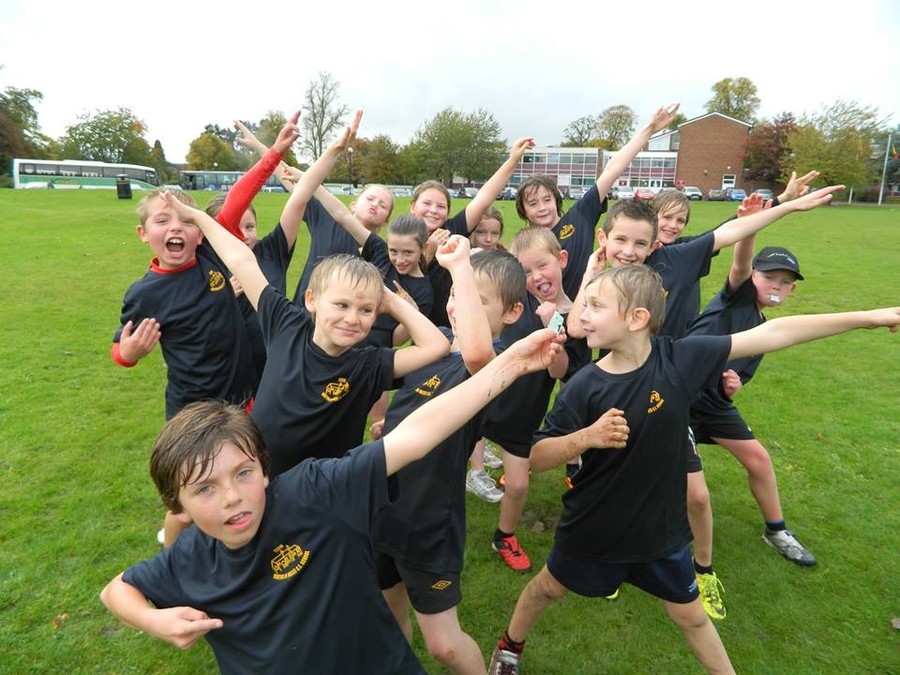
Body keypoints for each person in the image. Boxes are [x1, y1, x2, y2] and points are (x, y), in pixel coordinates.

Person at [488, 264, 900, 675]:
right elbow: (537, 456)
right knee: (546, 589)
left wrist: (868, 318)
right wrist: (585, 438)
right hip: (594, 526)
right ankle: (510, 647)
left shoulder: (680, 359)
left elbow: (774, 333)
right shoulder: (584, 385)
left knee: (691, 617)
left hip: (660, 532)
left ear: (637, 319)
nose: (582, 315)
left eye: (596, 305)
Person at [99, 323, 564, 674]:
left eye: (243, 473)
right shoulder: (188, 561)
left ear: (264, 469)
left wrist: (509, 366)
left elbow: (417, 434)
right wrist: (154, 622)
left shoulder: (313, 491)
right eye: (205, 488)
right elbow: (116, 590)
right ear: (175, 505)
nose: (233, 498)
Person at [157, 124, 450, 476]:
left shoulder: (366, 365)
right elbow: (241, 260)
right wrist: (199, 218)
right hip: (260, 476)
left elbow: (435, 346)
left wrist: (389, 298)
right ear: (311, 300)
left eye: (365, 310)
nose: (352, 318)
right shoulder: (285, 324)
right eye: (341, 305)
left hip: (323, 493)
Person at [374, 236, 540, 675]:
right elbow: (406, 395)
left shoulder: (500, 362)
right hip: (381, 504)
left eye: (475, 300)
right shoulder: (436, 346)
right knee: (391, 612)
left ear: (512, 313)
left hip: (429, 520)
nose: (455, 304)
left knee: (445, 647)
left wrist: (461, 266)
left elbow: (477, 352)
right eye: (453, 294)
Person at [689, 239, 818, 566]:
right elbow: (739, 264)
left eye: (785, 282)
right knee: (687, 484)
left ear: (792, 291)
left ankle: (776, 531)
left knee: (759, 459)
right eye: (769, 277)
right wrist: (750, 231)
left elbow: (736, 377)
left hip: (713, 403)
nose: (777, 285)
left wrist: (732, 386)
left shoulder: (763, 327)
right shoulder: (736, 300)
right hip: (681, 396)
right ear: (751, 279)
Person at [478, 227, 592, 570]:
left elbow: (560, 373)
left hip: (520, 418)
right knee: (444, 466)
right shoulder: (513, 303)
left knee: (516, 486)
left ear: (562, 260)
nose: (536, 277)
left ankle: (504, 536)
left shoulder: (576, 320)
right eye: (525, 271)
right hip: (480, 403)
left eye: (542, 266)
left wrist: (554, 339)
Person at [515, 104, 679, 300]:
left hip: (587, 313)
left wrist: (650, 129)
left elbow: (612, 170)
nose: (542, 208)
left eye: (546, 199)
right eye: (533, 203)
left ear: (556, 199)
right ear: (523, 211)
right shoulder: (524, 247)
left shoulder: (580, 216)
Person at [234, 119, 396, 306]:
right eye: (369, 199)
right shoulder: (326, 217)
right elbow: (289, 178)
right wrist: (259, 145)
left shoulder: (380, 252)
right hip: (302, 314)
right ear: (353, 204)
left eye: (383, 205)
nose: (375, 205)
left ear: (386, 221)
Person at [414, 137, 535, 328]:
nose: (433, 210)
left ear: (448, 211)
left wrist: (511, 161)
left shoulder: (452, 231)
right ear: (413, 207)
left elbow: (484, 197)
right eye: (426, 203)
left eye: (441, 206)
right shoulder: (402, 238)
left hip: (460, 328)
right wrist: (425, 255)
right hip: (424, 334)